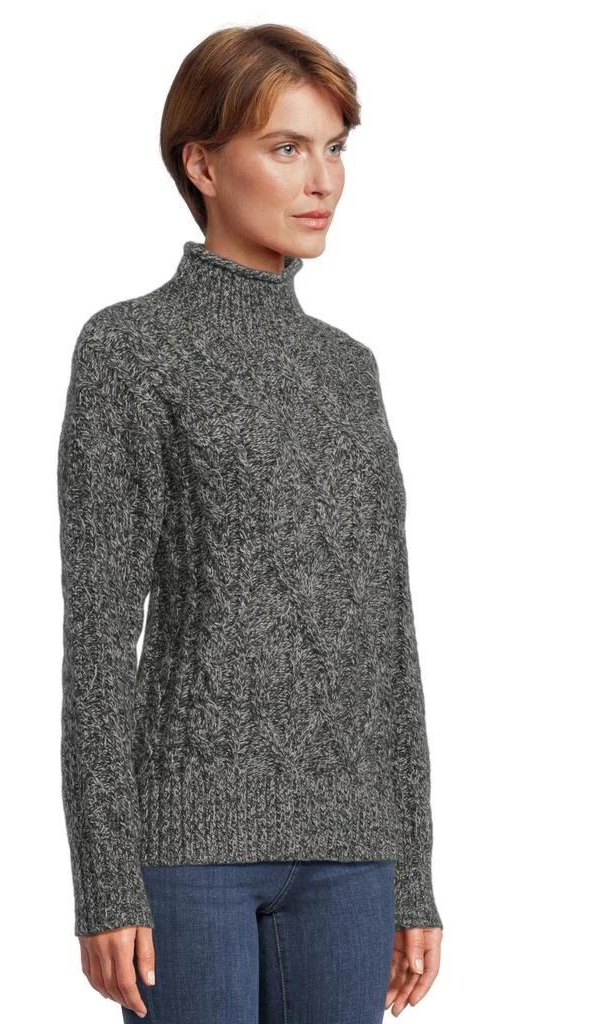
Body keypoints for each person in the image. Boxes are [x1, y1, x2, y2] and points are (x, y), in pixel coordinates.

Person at [57, 22, 444, 1023]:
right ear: (202, 163)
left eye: (334, 148)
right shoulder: (130, 350)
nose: (321, 181)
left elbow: (387, 634)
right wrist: (105, 880)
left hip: (352, 853)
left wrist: (410, 874)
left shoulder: (347, 370)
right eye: (285, 147)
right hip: (189, 854)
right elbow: (98, 637)